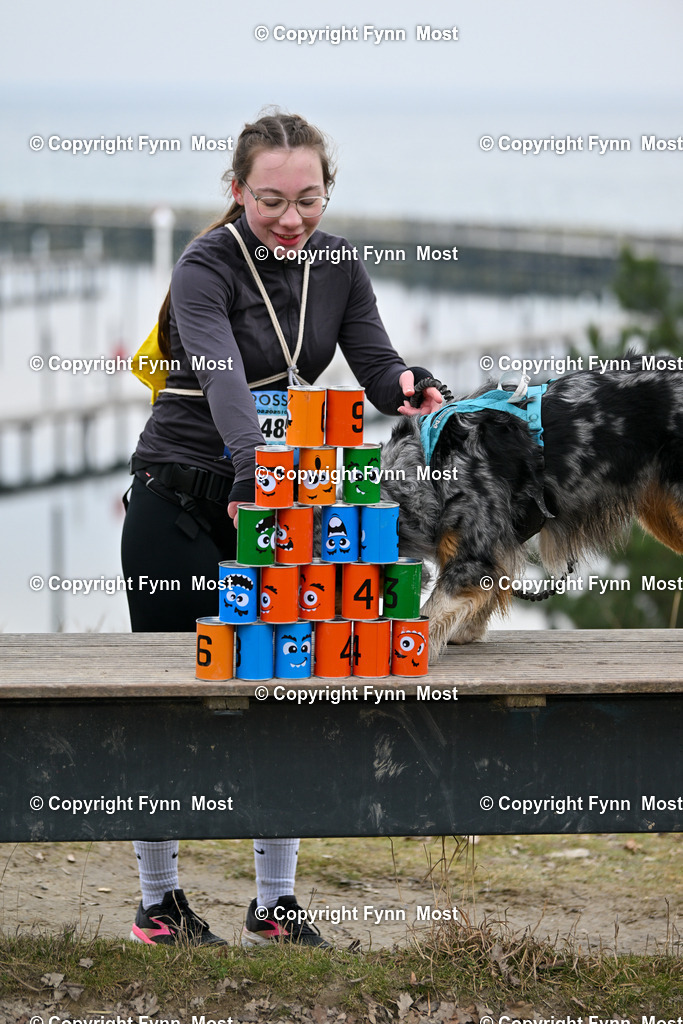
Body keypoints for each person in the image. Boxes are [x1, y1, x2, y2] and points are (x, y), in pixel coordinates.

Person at [121, 110, 443, 947]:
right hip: (182, 500)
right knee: (169, 707)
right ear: (237, 191)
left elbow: (374, 363)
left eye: (308, 198)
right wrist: (247, 466)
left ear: (327, 191)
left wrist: (409, 385)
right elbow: (225, 379)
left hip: (277, 498)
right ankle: (159, 903)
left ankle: (275, 905)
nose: (292, 218)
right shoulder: (204, 266)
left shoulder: (339, 265)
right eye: (271, 200)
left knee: (287, 689)